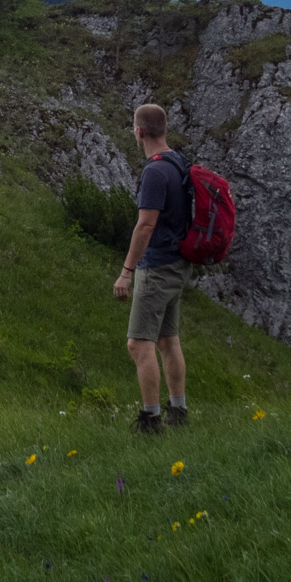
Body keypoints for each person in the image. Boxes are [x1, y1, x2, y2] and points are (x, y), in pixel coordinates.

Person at [111, 102, 194, 434]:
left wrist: (126, 272)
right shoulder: (178, 163)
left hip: (157, 266)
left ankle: (151, 420)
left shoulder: (155, 171)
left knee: (138, 343)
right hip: (178, 262)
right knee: (168, 339)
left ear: (139, 131)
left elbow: (145, 226)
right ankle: (179, 411)